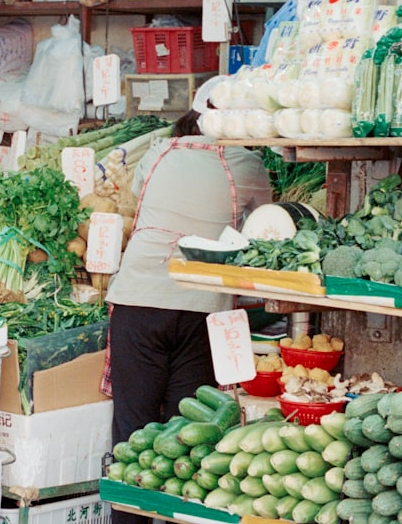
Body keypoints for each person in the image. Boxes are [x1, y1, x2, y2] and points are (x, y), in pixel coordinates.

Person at [104, 95, 271, 524]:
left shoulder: (158, 153)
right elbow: (262, 221)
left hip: (139, 297)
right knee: (188, 433)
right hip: (202, 305)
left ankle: (129, 517)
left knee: (133, 428)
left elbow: (140, 197)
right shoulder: (247, 164)